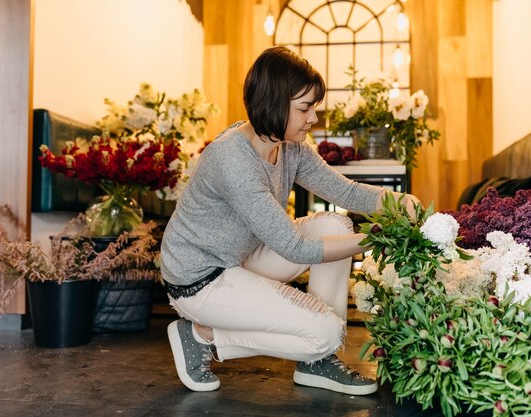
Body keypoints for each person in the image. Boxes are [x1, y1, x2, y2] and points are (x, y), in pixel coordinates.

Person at [160, 46, 419, 395]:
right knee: (325, 331)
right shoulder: (233, 160)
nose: (314, 117)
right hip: (202, 278)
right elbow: (294, 247)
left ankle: (318, 363)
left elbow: (344, 192)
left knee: (336, 226)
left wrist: (397, 201)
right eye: (305, 108)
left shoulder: (290, 146)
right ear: (272, 103)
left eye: (314, 106)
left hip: (240, 255)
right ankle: (200, 335)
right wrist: (378, 239)